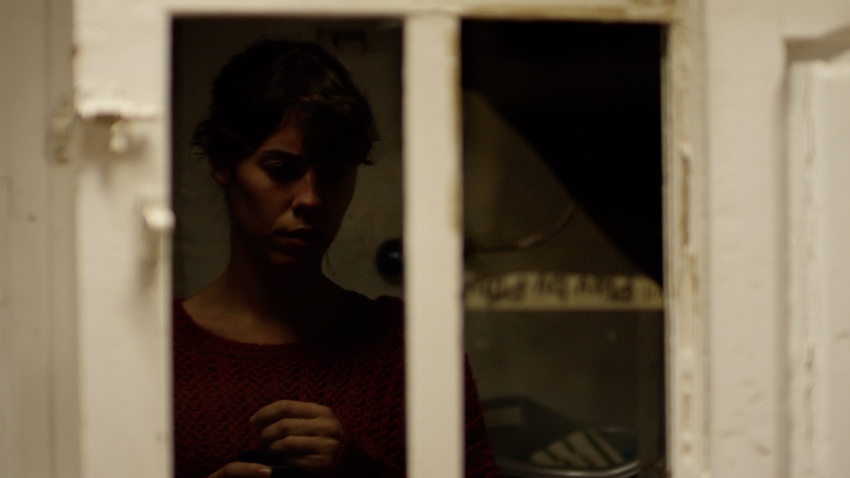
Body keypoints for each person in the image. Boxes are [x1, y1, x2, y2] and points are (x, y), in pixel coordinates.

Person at [172, 39, 498, 478]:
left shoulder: (405, 347)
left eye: (333, 175)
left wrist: (360, 469)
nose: (311, 199)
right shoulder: (156, 351)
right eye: (281, 170)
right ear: (223, 164)